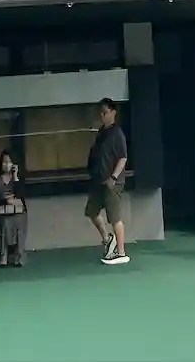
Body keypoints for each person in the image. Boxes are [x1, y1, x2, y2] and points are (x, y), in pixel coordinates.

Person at [84, 98, 130, 266]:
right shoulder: (101, 132)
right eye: (101, 113)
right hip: (98, 180)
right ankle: (107, 239)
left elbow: (123, 158)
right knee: (91, 211)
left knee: (114, 217)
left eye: (105, 112)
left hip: (112, 182)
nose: (102, 116)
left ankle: (121, 252)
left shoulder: (117, 133)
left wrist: (114, 177)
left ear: (113, 113)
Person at [0, 150, 27, 268]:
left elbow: (20, 194)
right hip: (2, 212)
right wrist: (7, 201)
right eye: (4, 162)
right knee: (5, 224)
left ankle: (19, 257)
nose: (6, 165)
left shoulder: (19, 178)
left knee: (19, 222)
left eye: (9, 162)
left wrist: (15, 177)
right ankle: (3, 257)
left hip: (18, 211)